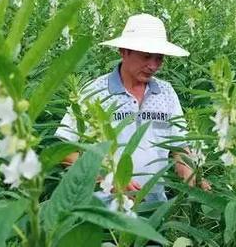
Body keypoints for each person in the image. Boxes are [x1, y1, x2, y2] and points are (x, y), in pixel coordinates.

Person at [55, 13, 210, 203]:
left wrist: (189, 172)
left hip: (154, 207)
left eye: (159, 58)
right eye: (146, 57)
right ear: (123, 51)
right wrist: (109, 177)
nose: (153, 66)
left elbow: (179, 145)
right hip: (101, 209)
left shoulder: (166, 92)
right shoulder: (94, 92)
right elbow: (63, 150)